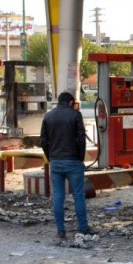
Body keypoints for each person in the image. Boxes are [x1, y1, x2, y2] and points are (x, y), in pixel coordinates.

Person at [40, 91, 92, 238]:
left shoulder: (48, 116)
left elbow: (43, 140)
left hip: (55, 161)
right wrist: (80, 158)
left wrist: (51, 158)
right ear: (70, 102)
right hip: (73, 161)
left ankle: (61, 230)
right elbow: (81, 138)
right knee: (78, 196)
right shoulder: (76, 115)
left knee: (58, 196)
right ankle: (83, 228)